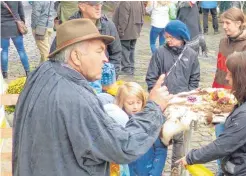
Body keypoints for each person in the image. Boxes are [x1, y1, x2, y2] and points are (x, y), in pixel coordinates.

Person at [12, 18, 172, 176]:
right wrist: (154, 107)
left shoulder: (41, 72)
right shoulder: (76, 96)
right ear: (75, 57)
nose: (105, 58)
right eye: (99, 51)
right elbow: (123, 146)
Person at [177, 51, 246, 176]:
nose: (226, 78)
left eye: (230, 74)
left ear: (242, 78)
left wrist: (191, 157)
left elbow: (223, 145)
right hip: (241, 166)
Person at [145, 20, 200, 176]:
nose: (168, 40)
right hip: (162, 104)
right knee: (160, 138)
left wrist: (187, 99)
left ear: (182, 37)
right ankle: (155, 169)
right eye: (166, 36)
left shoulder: (191, 55)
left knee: (179, 139)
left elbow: (194, 80)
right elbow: (151, 78)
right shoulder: (160, 53)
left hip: (181, 106)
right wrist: (157, 96)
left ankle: (175, 168)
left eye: (172, 37)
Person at [211, 7, 246, 176]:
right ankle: (220, 170)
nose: (224, 26)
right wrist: (213, 93)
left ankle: (229, 171)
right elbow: (219, 70)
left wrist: (238, 99)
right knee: (220, 137)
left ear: (238, 24)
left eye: (228, 23)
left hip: (235, 100)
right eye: (223, 23)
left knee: (232, 139)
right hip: (219, 97)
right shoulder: (223, 42)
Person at [51, 1, 122, 77]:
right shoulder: (69, 27)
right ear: (81, 6)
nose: (99, 7)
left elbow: (116, 53)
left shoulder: (108, 25)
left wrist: (110, 77)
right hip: (76, 79)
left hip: (101, 79)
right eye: (94, 4)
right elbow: (55, 58)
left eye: (100, 3)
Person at [113, 1, 145, 76]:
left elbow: (123, 18)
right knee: (131, 50)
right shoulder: (139, 2)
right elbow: (143, 13)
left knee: (125, 51)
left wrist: (120, 31)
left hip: (126, 31)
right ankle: (131, 68)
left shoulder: (125, 1)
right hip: (135, 30)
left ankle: (126, 69)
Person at [1, 1, 29, 78]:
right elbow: (21, 12)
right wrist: (22, 23)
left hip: (3, 28)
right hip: (16, 27)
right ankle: (27, 70)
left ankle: (4, 73)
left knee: (4, 51)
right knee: (21, 50)